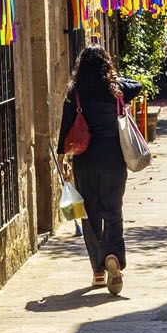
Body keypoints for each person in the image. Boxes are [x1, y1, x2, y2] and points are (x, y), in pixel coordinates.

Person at [57, 44, 128, 296]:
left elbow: (65, 128)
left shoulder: (75, 94)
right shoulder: (116, 91)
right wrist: (115, 78)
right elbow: (137, 86)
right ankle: (113, 257)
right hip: (114, 159)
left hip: (85, 160)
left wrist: (62, 157)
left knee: (89, 213)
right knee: (113, 210)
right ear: (106, 64)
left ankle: (98, 271)